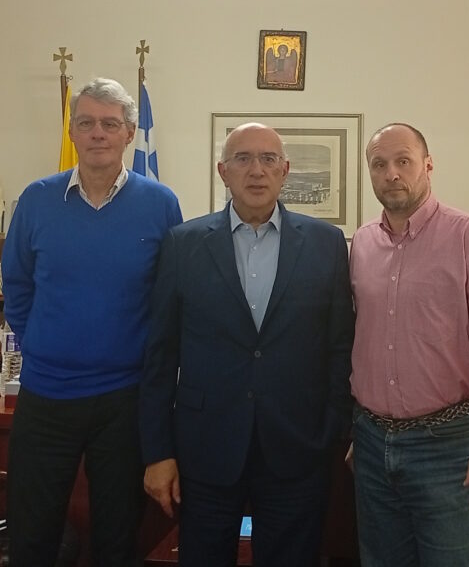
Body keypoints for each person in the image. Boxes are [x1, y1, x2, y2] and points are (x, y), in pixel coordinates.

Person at [139, 123, 354, 567]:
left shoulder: (326, 243)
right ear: (223, 171)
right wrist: (158, 452)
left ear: (285, 170)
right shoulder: (183, 244)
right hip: (205, 447)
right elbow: (161, 355)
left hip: (298, 446)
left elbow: (340, 346)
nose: (256, 170)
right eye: (242, 159)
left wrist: (331, 429)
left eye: (268, 159)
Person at [2, 77, 182, 567]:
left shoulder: (161, 203)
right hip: (46, 396)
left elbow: (168, 296)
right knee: (31, 535)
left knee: (117, 538)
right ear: (72, 132)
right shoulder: (36, 199)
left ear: (129, 133)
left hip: (124, 400)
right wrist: (42, 345)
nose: (97, 133)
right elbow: (17, 286)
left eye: (109, 124)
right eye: (86, 123)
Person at [348, 123, 469, 566]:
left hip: (446, 445)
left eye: (403, 161)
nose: (391, 173)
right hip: (371, 442)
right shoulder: (361, 244)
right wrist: (359, 430)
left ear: (428, 166)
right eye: (379, 164)